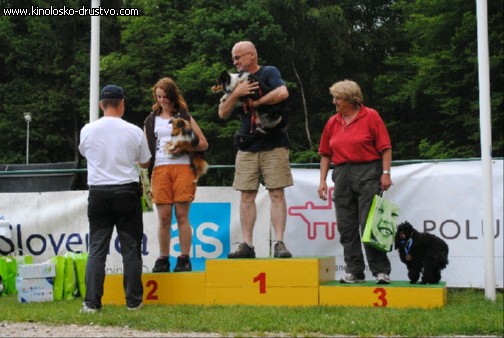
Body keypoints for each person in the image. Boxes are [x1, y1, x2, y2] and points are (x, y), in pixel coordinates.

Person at [78, 84, 151, 312]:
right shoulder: (134, 131)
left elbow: (84, 153)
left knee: (97, 248)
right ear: (122, 104)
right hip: (126, 192)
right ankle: (133, 302)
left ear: (101, 104)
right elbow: (145, 162)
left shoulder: (87, 130)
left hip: (98, 191)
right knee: (131, 247)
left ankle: (91, 303)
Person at [218, 41, 293, 259]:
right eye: (233, 58)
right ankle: (247, 245)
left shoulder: (269, 72)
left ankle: (279, 242)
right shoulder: (235, 80)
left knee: (277, 193)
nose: (235, 61)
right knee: (246, 194)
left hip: (275, 143)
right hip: (247, 144)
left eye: (238, 57)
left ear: (251, 55)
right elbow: (222, 112)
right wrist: (237, 93)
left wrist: (256, 102)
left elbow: (282, 93)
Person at [317, 79, 393, 284]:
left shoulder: (371, 116)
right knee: (346, 226)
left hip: (368, 171)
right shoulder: (333, 122)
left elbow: (385, 147)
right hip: (341, 174)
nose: (334, 102)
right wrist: (322, 180)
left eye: (338, 98)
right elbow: (325, 153)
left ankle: (380, 271)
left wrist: (385, 173)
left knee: (369, 224)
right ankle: (354, 270)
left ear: (351, 100)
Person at [144, 77, 208, 273]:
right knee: (163, 217)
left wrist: (184, 145)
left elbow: (204, 144)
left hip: (182, 168)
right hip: (160, 168)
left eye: (165, 96)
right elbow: (144, 149)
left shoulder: (185, 116)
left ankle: (184, 258)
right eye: (158, 97)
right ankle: (163, 258)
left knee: (182, 215)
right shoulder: (151, 119)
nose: (162, 100)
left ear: (172, 96)